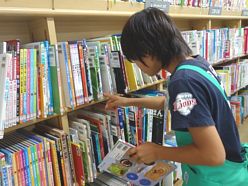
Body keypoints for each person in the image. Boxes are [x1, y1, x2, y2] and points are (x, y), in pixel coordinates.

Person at [105, 7, 248, 185]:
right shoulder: (196, 64)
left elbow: (214, 155)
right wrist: (128, 101)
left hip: (217, 178)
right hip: (233, 168)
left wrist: (158, 151)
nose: (138, 67)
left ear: (148, 52)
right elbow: (175, 103)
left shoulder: (183, 82)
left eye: (135, 61)